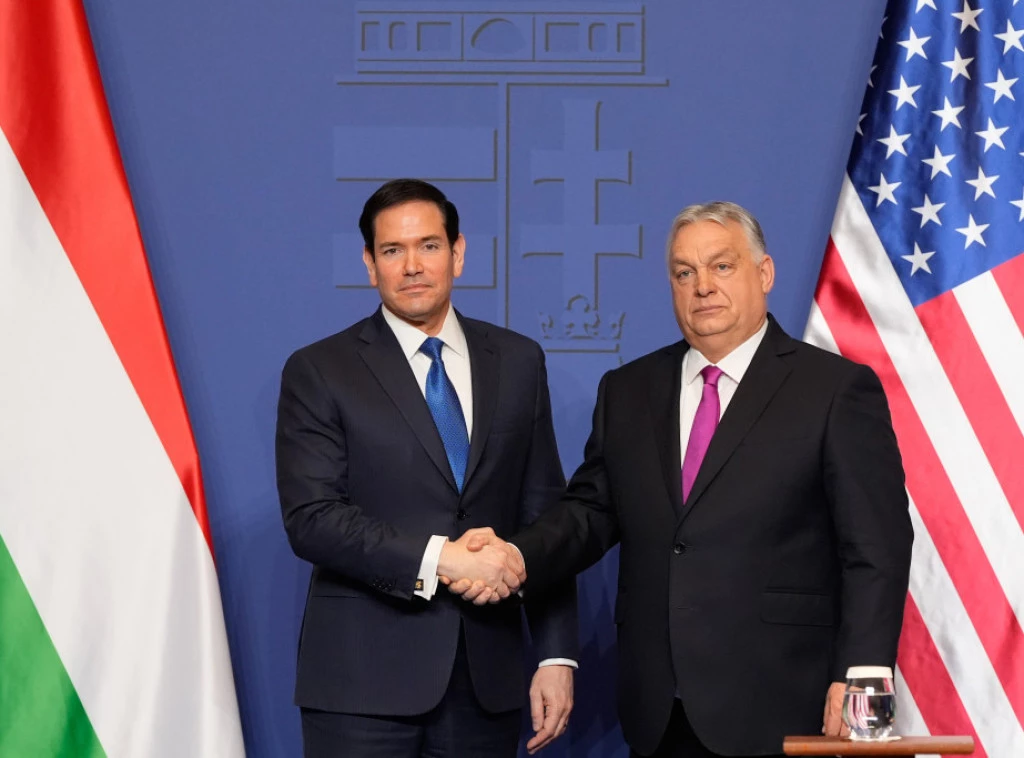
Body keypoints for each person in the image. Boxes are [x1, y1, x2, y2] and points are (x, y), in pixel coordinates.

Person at [452, 201, 913, 757]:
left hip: (785, 702)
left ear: (764, 273)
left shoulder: (835, 390)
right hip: (658, 706)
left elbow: (877, 547)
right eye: (684, 272)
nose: (703, 287)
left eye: (722, 266)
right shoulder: (628, 390)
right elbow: (590, 513)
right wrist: (516, 556)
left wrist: (862, 677)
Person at [276, 178, 578, 758]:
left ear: (457, 253)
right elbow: (312, 518)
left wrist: (555, 654)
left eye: (429, 246)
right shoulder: (321, 370)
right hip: (362, 686)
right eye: (393, 250)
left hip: (486, 682)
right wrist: (444, 558)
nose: (412, 265)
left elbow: (546, 517)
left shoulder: (518, 361)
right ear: (370, 264)